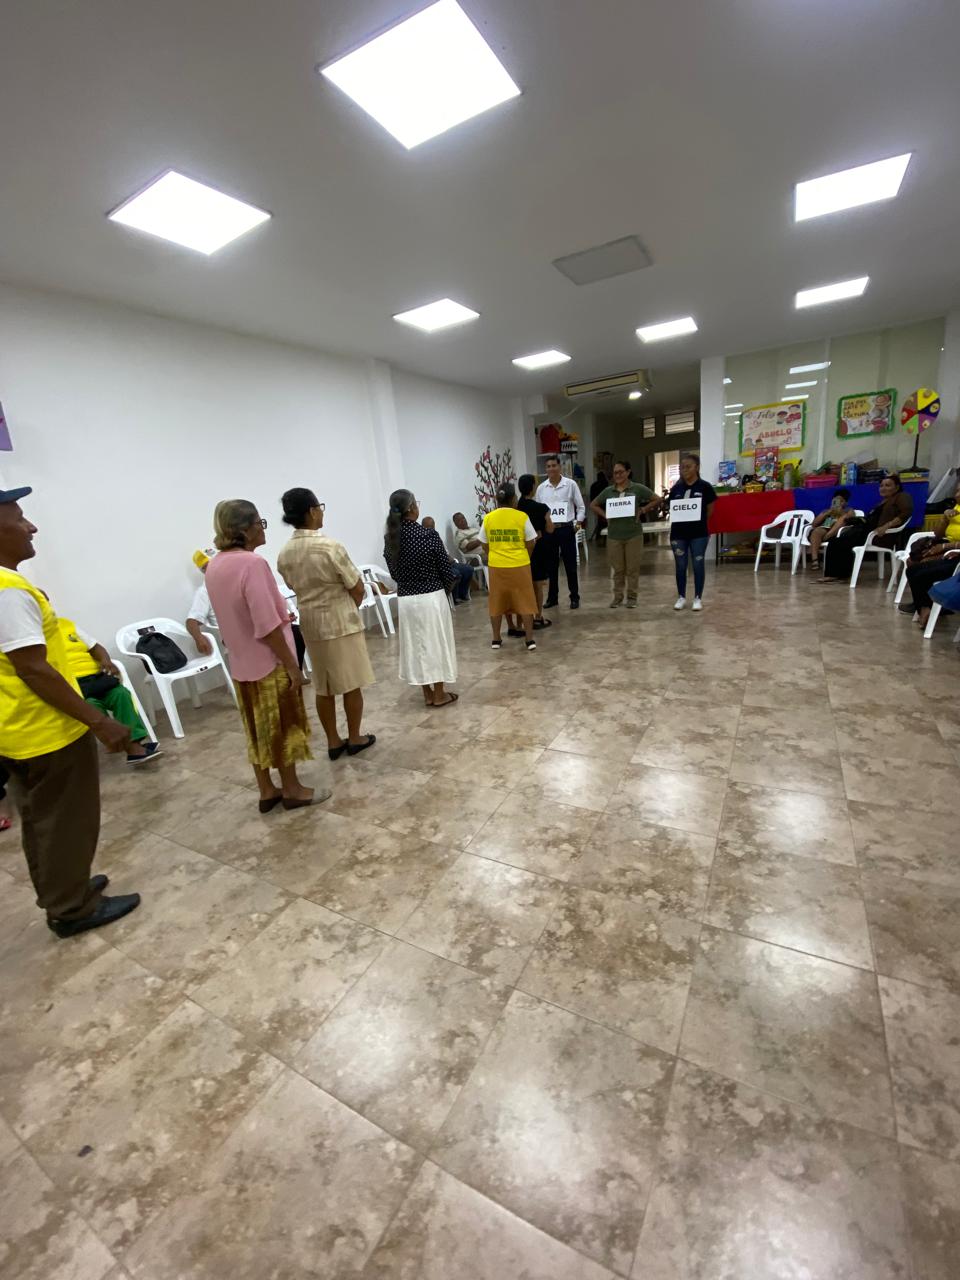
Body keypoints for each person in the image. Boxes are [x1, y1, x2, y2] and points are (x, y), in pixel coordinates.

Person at [0, 486, 141, 937]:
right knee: (66, 820)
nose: (31, 527)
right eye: (19, 519)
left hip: (18, 728)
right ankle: (72, 907)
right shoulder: (8, 591)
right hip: (47, 730)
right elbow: (34, 669)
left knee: (42, 820)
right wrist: (98, 720)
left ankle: (63, 888)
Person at [205, 500, 314, 811]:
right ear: (244, 529)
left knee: (256, 727)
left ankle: (267, 789)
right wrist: (292, 666)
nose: (263, 529)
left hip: (241, 662)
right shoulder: (252, 564)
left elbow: (236, 613)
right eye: (259, 523)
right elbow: (266, 626)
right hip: (269, 662)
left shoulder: (215, 565)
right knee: (282, 725)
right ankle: (292, 789)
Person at [277, 488, 375, 760]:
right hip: (341, 622)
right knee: (351, 683)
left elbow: (292, 585)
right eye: (319, 507)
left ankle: (333, 741)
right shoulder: (329, 547)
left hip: (311, 624)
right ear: (311, 511)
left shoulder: (284, 553)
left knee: (323, 686)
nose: (321, 512)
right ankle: (354, 737)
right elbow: (357, 587)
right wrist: (347, 606)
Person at [383, 489, 460, 708]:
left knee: (416, 645)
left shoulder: (390, 538)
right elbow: (446, 570)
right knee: (436, 644)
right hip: (431, 597)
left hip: (407, 600)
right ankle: (439, 694)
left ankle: (427, 694)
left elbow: (394, 574)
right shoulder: (428, 535)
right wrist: (446, 589)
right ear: (411, 508)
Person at [57, 614, 162, 764]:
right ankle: (133, 748)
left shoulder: (66, 624)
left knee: (121, 694)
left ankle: (134, 744)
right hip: (74, 686)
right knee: (92, 705)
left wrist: (105, 660)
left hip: (98, 679)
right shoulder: (36, 638)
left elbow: (95, 647)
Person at [187, 548, 308, 671]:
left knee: (295, 632)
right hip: (237, 635)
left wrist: (281, 618)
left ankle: (292, 672)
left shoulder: (236, 582)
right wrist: (199, 638)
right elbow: (191, 621)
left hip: (255, 627)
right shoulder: (204, 592)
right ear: (205, 571)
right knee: (275, 637)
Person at [477, 482, 539, 650]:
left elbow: (484, 543)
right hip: (520, 564)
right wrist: (525, 556)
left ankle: (496, 639)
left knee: (497, 601)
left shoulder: (488, 518)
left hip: (497, 566)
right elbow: (531, 542)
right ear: (513, 499)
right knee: (525, 601)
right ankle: (529, 640)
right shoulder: (521, 517)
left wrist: (494, 554)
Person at [590, 460, 658, 608]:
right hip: (614, 536)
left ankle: (632, 597)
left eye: (621, 472)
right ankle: (617, 597)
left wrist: (642, 510)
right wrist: (606, 515)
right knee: (618, 569)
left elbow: (656, 499)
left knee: (632, 569)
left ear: (628, 472)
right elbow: (593, 504)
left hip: (634, 535)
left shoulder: (637, 488)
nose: (618, 475)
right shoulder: (608, 491)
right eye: (615, 473)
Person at [820, 474, 913, 582]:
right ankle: (839, 575)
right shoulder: (883, 502)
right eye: (881, 485)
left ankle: (835, 575)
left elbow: (905, 513)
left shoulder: (902, 496)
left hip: (879, 535)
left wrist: (886, 526)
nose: (883, 488)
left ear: (896, 487)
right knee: (836, 540)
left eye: (887, 485)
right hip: (866, 531)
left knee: (841, 541)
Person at [897, 482, 960, 624]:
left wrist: (946, 546)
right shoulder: (956, 508)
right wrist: (944, 518)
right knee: (912, 567)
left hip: (955, 554)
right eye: (957, 491)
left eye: (959, 491)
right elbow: (937, 534)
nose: (956, 495)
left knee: (922, 571)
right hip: (946, 547)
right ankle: (923, 606)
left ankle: (929, 607)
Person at [668, 453, 717, 611]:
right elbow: (672, 508)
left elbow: (710, 510)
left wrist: (697, 521)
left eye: (688, 467)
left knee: (698, 564)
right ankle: (681, 597)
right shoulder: (676, 488)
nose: (684, 470)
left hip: (699, 534)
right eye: (682, 467)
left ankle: (697, 598)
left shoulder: (705, 487)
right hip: (678, 534)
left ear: (697, 467)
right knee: (681, 565)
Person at [536, 455, 586, 610]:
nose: (551, 469)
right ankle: (552, 598)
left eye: (554, 465)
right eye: (548, 466)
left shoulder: (570, 484)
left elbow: (581, 507)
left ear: (560, 467)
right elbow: (539, 511)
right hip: (549, 531)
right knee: (551, 566)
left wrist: (578, 523)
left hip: (566, 529)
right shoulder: (541, 488)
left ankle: (574, 597)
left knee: (570, 565)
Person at [517, 474, 553, 627]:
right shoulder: (542, 508)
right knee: (537, 585)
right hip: (538, 550)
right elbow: (550, 529)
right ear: (532, 487)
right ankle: (538, 617)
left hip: (519, 550)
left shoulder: (516, 508)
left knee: (524, 586)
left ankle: (525, 618)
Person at [423, 516, 473, 603]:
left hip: (448, 562)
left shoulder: (436, 536)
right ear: (423, 527)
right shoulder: (422, 541)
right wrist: (446, 560)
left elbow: (446, 552)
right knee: (455, 574)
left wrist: (450, 559)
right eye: (428, 527)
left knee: (468, 569)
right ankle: (454, 598)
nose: (431, 529)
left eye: (432, 526)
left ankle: (462, 594)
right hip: (439, 566)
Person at [806, 488, 853, 567]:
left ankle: (826, 537)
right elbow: (814, 524)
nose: (838, 503)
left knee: (844, 518)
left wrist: (841, 512)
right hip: (826, 528)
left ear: (846, 502)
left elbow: (850, 518)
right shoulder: (827, 510)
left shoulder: (848, 510)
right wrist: (828, 513)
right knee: (817, 531)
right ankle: (815, 560)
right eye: (836, 500)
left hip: (837, 531)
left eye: (841, 501)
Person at [589, 470, 609, 540]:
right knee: (605, 522)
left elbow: (592, 497)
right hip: (605, 505)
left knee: (600, 522)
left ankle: (599, 537)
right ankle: (603, 537)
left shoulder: (593, 485)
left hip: (597, 506)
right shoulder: (605, 483)